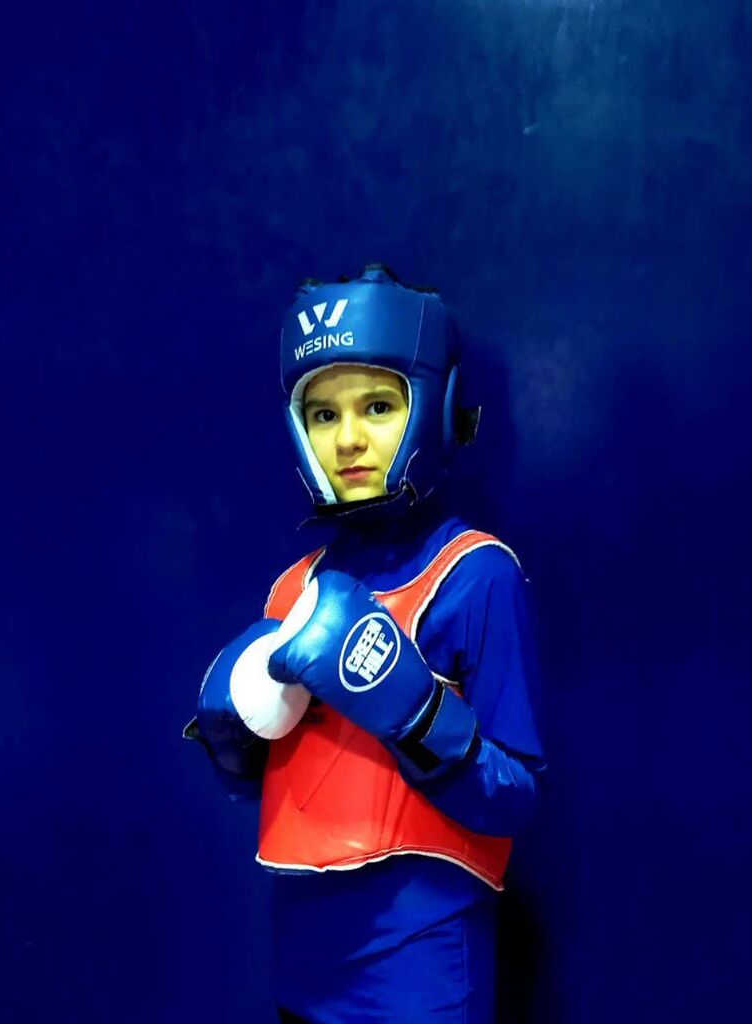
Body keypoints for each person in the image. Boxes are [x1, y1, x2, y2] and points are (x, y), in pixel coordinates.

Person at [185, 264, 546, 1023]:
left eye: (378, 406)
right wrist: (234, 731)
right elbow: (269, 785)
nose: (348, 439)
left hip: (420, 970)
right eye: (324, 414)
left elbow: (514, 798)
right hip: (301, 967)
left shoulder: (475, 574)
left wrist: (415, 713)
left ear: (433, 408)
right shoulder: (294, 589)